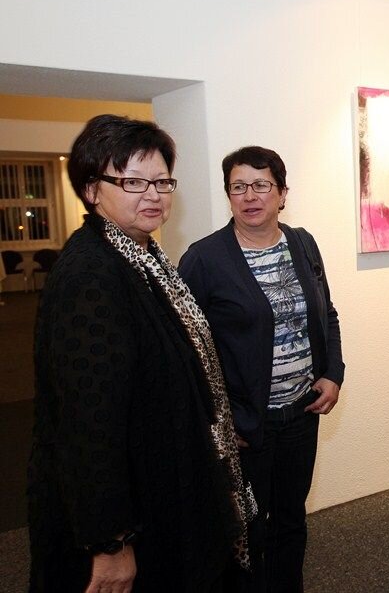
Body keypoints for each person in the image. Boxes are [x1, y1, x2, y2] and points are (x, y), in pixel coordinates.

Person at [28, 114, 255, 592]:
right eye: (133, 181)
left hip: (164, 487)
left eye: (161, 181)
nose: (153, 195)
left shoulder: (142, 255)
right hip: (128, 516)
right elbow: (88, 423)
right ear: (92, 189)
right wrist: (111, 543)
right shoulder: (90, 274)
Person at [179, 146, 344, 592]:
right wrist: (219, 416)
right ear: (228, 195)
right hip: (246, 425)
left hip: (302, 414)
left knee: (291, 518)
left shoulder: (303, 243)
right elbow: (186, 351)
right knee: (248, 527)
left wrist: (333, 373)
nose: (250, 196)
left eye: (261, 185)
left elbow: (326, 314)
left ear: (283, 193)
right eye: (238, 187)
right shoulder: (204, 259)